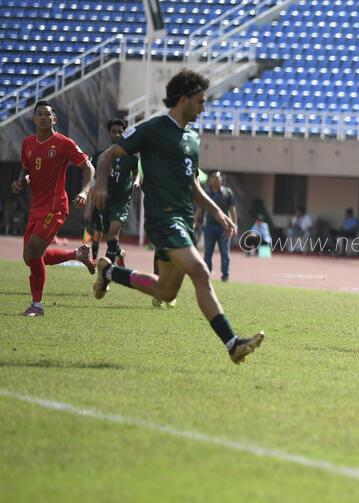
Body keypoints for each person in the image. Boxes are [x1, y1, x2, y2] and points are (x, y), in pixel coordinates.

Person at [90, 69, 264, 364]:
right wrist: (102, 184)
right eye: (200, 101)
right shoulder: (153, 129)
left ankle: (108, 271)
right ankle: (232, 343)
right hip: (163, 218)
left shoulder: (193, 138)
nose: (203, 107)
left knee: (166, 290)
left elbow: (192, 184)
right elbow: (108, 156)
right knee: (201, 271)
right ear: (183, 99)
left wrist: (218, 211)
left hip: (183, 219)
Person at [12, 100, 96, 316]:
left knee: (33, 252)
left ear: (54, 119)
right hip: (36, 206)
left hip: (55, 205)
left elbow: (88, 167)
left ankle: (37, 306)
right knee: (30, 257)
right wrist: (21, 181)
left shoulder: (64, 143)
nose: (43, 117)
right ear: (34, 119)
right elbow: (27, 170)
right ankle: (78, 254)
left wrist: (84, 191)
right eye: (39, 114)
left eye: (47, 114)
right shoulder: (27, 144)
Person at [89, 118, 140, 267]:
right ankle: (120, 253)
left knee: (112, 234)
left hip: (122, 201)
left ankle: (107, 274)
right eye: (114, 131)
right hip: (104, 201)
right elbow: (90, 174)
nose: (117, 134)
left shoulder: (131, 157)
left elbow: (137, 172)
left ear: (124, 133)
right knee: (108, 236)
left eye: (120, 131)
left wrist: (136, 181)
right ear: (109, 133)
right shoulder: (100, 155)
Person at [196, 171, 237, 281]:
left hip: (224, 228)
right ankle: (207, 274)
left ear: (221, 179)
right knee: (208, 252)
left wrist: (235, 224)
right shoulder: (205, 192)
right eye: (214, 177)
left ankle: (225, 275)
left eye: (218, 177)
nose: (216, 179)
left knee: (225, 252)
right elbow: (200, 208)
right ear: (210, 180)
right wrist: (195, 221)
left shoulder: (228, 192)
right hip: (209, 227)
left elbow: (232, 209)